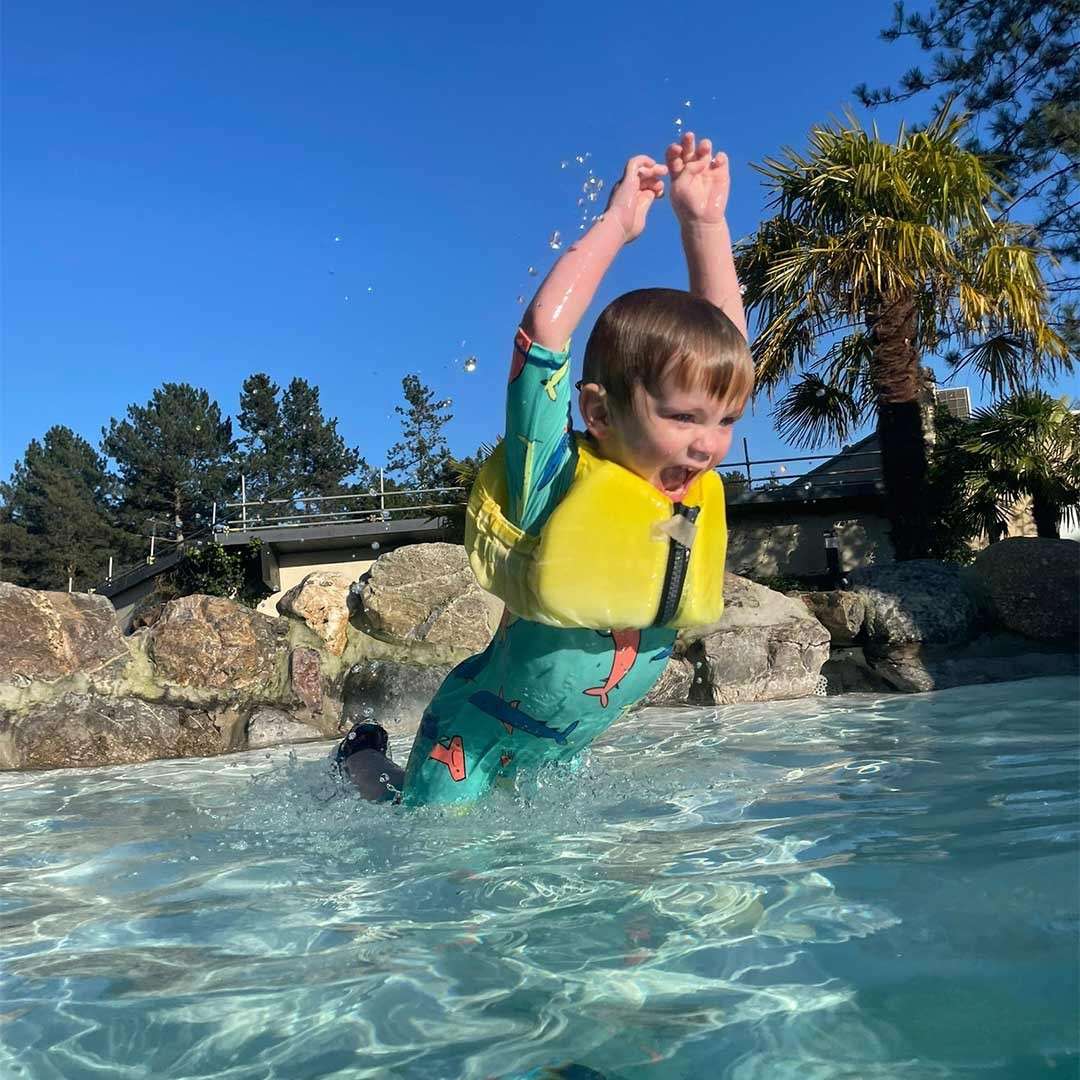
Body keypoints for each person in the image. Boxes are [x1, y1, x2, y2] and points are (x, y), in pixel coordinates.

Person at [337, 132, 753, 806]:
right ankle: (359, 761)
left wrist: (704, 224)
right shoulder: (552, 482)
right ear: (600, 411)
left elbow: (727, 356)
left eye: (724, 420)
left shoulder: (685, 500)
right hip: (472, 736)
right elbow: (542, 342)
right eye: (681, 418)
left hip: (565, 741)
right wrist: (618, 224)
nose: (708, 443)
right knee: (414, 829)